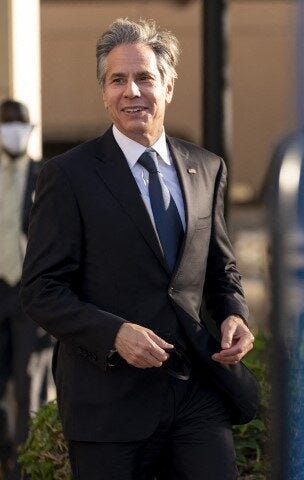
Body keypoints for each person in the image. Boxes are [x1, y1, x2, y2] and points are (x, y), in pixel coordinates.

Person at [20, 18, 254, 479]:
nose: (132, 91)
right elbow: (42, 290)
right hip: (109, 406)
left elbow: (221, 270)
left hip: (197, 395)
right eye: (118, 80)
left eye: (144, 77)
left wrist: (234, 315)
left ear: (167, 84)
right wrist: (114, 334)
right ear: (104, 92)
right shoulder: (68, 176)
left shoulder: (207, 168)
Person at [0, 99, 53, 479]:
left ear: (31, 129)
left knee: (29, 388)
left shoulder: (46, 177)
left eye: (19, 124)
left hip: (29, 299)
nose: (13, 130)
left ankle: (23, 470)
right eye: (6, 124)